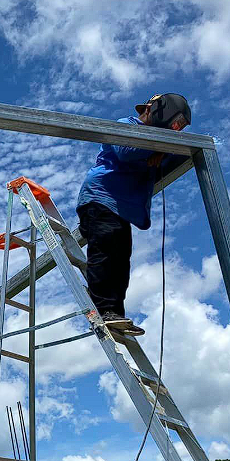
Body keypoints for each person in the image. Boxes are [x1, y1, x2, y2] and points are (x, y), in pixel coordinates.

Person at [76, 93, 192, 336]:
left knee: (121, 261)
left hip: (121, 208)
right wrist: (159, 146)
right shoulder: (127, 124)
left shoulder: (155, 142)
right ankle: (103, 309)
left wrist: (169, 150)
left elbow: (179, 156)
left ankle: (114, 314)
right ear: (155, 109)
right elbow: (126, 150)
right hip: (101, 197)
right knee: (106, 251)